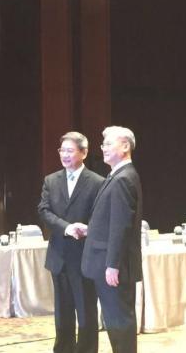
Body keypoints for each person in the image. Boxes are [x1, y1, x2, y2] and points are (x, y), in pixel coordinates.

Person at [38, 131, 104, 353]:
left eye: (70, 150)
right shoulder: (51, 180)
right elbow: (44, 210)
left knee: (86, 312)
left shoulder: (97, 182)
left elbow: (100, 216)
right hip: (59, 256)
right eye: (62, 150)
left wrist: (86, 229)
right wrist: (66, 227)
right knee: (62, 313)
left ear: (83, 153)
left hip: (85, 257)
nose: (64, 155)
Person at [81, 126, 143, 353]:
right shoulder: (117, 175)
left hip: (112, 265)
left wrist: (112, 264)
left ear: (125, 146)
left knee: (119, 322)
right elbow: (111, 220)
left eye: (108, 143)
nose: (103, 148)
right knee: (116, 321)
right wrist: (91, 230)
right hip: (108, 261)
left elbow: (121, 225)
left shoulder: (123, 178)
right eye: (103, 144)